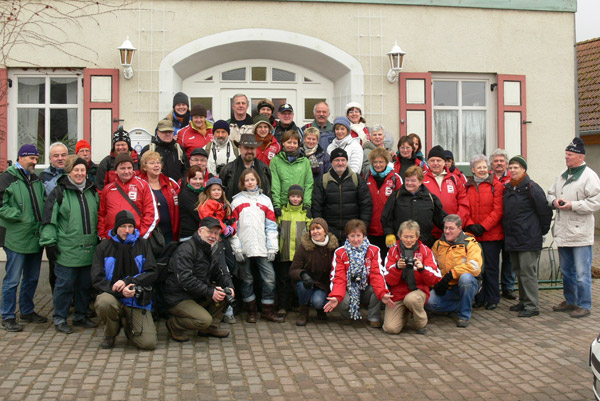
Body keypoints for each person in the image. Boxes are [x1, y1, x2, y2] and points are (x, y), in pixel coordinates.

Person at [40, 155, 99, 334]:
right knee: (64, 286)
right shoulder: (59, 192)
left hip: (88, 248)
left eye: (82, 170)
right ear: (69, 171)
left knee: (84, 286)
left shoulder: (92, 191)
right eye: (76, 170)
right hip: (66, 249)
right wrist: (49, 243)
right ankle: (59, 317)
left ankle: (80, 316)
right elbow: (50, 220)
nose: (80, 173)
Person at [548, 138, 600, 318]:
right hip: (563, 231)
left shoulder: (589, 176)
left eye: (569, 155)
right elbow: (551, 193)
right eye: (566, 154)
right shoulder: (562, 175)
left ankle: (584, 305)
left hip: (580, 233)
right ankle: (570, 301)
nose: (566, 157)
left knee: (582, 273)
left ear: (580, 156)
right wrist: (554, 201)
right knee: (567, 271)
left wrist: (573, 205)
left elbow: (596, 202)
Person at [92, 210, 157, 350]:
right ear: (116, 227)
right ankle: (110, 333)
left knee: (148, 343)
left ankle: (129, 327)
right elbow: (97, 278)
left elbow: (152, 273)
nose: (127, 230)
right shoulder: (103, 247)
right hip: (112, 294)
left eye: (130, 226)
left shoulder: (143, 244)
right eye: (123, 226)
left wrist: (129, 283)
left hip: (136, 297)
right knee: (104, 302)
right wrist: (119, 290)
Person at [0, 145, 47, 332]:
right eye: (31, 159)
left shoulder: (35, 180)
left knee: (32, 278)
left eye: (36, 159)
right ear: (21, 157)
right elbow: (1, 205)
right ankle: (8, 315)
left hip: (35, 237)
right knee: (12, 279)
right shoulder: (7, 178)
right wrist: (20, 216)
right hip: (16, 237)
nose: (35, 162)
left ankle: (27, 311)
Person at [164, 217, 234, 341]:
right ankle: (174, 324)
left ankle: (209, 329)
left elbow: (222, 272)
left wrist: (229, 286)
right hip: (179, 297)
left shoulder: (215, 248)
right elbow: (185, 280)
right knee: (203, 320)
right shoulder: (186, 249)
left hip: (197, 293)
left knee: (224, 294)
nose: (212, 236)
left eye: (216, 233)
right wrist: (210, 292)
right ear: (200, 231)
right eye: (209, 232)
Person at [502, 155, 552, 317]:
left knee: (528, 272)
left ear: (524, 169)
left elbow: (544, 212)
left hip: (528, 238)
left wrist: (540, 232)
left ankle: (532, 306)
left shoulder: (532, 188)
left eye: (516, 167)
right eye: (510, 167)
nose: (513, 170)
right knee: (519, 270)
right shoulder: (509, 188)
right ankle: (523, 301)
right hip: (513, 237)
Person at [230, 168, 282, 323]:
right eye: (247, 180)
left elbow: (271, 226)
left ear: (258, 181)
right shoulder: (236, 201)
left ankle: (267, 310)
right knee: (247, 280)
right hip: (244, 247)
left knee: (270, 279)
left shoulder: (265, 200)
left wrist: (273, 247)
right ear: (242, 183)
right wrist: (236, 248)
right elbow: (233, 228)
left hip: (262, 247)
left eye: (252, 179)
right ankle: (251, 311)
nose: (250, 183)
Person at [323, 219, 386, 327]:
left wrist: (382, 293)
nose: (356, 240)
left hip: (366, 288)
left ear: (364, 235)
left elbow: (377, 274)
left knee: (377, 290)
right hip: (348, 288)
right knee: (341, 297)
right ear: (347, 236)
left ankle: (374, 317)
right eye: (352, 236)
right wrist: (337, 296)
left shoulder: (374, 250)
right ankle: (347, 316)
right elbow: (338, 278)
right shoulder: (340, 252)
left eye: (358, 235)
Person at [382, 220, 441, 335]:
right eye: (405, 237)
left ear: (417, 236)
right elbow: (387, 279)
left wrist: (422, 269)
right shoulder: (393, 251)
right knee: (391, 329)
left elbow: (436, 278)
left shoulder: (425, 251)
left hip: (417, 291)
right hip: (398, 293)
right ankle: (405, 314)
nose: (408, 240)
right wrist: (397, 267)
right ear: (399, 236)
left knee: (411, 299)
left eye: (411, 237)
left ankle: (421, 323)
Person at [426, 215, 482, 327]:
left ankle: (464, 315)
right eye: (445, 228)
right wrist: (436, 284)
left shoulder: (470, 243)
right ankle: (462, 304)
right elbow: (431, 266)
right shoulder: (438, 245)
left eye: (451, 228)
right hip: (447, 286)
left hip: (467, 284)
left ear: (460, 228)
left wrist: (451, 274)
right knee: (429, 303)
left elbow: (475, 267)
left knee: (466, 278)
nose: (447, 231)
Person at [464, 155, 505, 310]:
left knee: (491, 267)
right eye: (478, 167)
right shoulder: (467, 186)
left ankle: (493, 297)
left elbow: (498, 210)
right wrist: (470, 225)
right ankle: (479, 298)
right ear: (473, 169)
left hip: (491, 234)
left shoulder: (497, 185)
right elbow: (464, 207)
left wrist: (484, 226)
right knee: (476, 268)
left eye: (484, 167)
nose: (481, 170)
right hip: (473, 234)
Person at [196, 177, 237, 324]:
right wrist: (224, 228)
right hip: (213, 240)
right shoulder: (206, 204)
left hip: (224, 240)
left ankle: (228, 302)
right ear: (208, 191)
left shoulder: (225, 204)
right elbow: (210, 220)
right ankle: (226, 310)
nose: (216, 192)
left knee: (231, 267)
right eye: (213, 189)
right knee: (221, 270)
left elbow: (232, 218)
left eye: (219, 189)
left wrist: (232, 229)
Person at [312, 148, 372, 243]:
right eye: (337, 160)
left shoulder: (357, 179)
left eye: (343, 160)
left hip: (353, 234)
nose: (340, 163)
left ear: (347, 161)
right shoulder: (323, 181)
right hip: (330, 234)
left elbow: (366, 205)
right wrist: (322, 229)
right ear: (332, 162)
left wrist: (362, 228)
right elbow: (316, 207)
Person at [381, 165, 446, 248]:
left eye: (413, 180)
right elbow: (387, 216)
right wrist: (389, 233)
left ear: (421, 181)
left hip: (424, 244)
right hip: (401, 243)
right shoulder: (396, 196)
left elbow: (440, 218)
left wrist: (453, 229)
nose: (409, 183)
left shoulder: (430, 198)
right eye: (407, 180)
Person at [289, 218, 338, 326]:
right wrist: (302, 274)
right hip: (307, 282)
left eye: (318, 228)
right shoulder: (304, 247)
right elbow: (293, 269)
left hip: (323, 285)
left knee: (318, 302)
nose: (315, 231)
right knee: (302, 286)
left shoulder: (333, 247)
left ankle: (320, 309)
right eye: (312, 229)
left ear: (325, 231)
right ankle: (303, 311)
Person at [97, 153, 158, 240]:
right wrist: (103, 236)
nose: (126, 171)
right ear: (115, 170)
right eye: (122, 168)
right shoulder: (108, 189)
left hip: (135, 240)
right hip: (112, 241)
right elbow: (101, 215)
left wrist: (140, 237)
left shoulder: (143, 185)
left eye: (129, 168)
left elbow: (151, 214)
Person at [275, 185, 311, 318]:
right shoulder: (282, 213)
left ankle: (298, 304)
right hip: (284, 253)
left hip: (299, 256)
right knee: (283, 280)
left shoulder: (305, 215)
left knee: (297, 280)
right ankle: (283, 306)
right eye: (293, 196)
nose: (295, 199)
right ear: (288, 197)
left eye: (298, 197)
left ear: (302, 198)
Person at [422, 145, 470, 239]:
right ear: (427, 162)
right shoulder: (421, 179)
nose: (435, 163)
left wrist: (456, 223)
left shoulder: (454, 179)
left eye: (438, 160)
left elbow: (463, 203)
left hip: (452, 231)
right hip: (429, 232)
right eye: (432, 160)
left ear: (444, 162)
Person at [39, 141, 68, 292]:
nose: (60, 158)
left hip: (70, 229)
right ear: (50, 158)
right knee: (54, 267)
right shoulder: (43, 177)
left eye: (63, 155)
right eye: (56, 156)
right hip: (52, 227)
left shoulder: (73, 174)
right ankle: (58, 301)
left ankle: (74, 301)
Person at [364, 147, 402, 261]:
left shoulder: (395, 178)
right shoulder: (366, 177)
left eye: (381, 162)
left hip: (388, 231)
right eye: (375, 162)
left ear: (386, 162)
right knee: (372, 262)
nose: (378, 165)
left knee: (388, 261)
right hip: (371, 229)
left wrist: (393, 230)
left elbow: (400, 205)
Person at [490, 148, 516, 300]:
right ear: (491, 164)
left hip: (509, 225)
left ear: (506, 164)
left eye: (502, 161)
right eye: (496, 161)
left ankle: (508, 287)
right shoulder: (486, 178)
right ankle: (492, 289)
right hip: (492, 225)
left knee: (509, 258)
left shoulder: (513, 178)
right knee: (492, 260)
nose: (499, 164)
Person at [138, 151, 180, 244]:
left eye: (158, 162)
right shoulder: (138, 184)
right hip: (149, 234)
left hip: (170, 232)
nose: (156, 165)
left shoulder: (171, 183)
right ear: (144, 167)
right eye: (152, 163)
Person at [270, 130, 314, 214]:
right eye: (289, 142)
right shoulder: (275, 161)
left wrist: (307, 204)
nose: (292, 145)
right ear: (283, 143)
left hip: (300, 207)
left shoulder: (305, 161)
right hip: (283, 206)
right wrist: (276, 204)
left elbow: (308, 184)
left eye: (294, 143)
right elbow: (275, 184)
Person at [220, 134, 272, 201]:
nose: (249, 151)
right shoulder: (228, 170)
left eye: (252, 148)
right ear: (239, 147)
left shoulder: (264, 169)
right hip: (235, 209)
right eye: (246, 148)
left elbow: (268, 192)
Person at [96, 127, 140, 191]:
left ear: (128, 145)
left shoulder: (138, 160)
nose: (120, 147)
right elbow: (101, 187)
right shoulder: (106, 162)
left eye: (123, 144)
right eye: (117, 145)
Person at [178, 166, 205, 240]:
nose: (198, 182)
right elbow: (199, 214)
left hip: (201, 235)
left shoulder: (203, 193)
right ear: (188, 179)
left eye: (200, 179)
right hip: (189, 237)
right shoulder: (185, 194)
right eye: (194, 179)